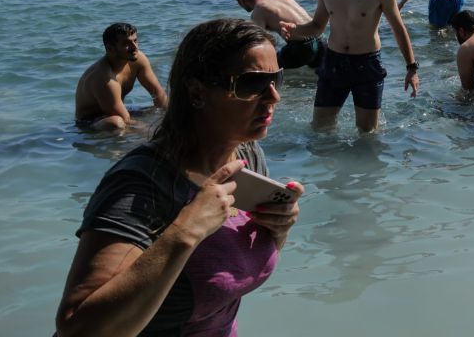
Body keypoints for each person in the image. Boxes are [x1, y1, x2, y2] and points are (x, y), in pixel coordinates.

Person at [55, 19, 303, 337]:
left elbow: (230, 268)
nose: (273, 97)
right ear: (198, 92)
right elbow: (77, 329)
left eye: (276, 80)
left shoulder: (247, 154)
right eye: (251, 84)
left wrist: (277, 229)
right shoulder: (140, 184)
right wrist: (185, 233)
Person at [281, 0, 418, 131]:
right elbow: (317, 26)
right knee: (320, 129)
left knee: (367, 132)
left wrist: (411, 68)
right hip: (333, 63)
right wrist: (296, 30)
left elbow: (398, 28)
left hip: (367, 65)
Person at [74, 22, 168, 130]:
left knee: (157, 110)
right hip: (89, 122)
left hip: (118, 112)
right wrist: (156, 132)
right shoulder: (104, 78)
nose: (135, 47)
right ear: (110, 48)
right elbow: (125, 120)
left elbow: (158, 94)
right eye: (127, 43)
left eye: (135, 40)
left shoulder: (138, 59)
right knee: (117, 123)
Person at [228, 0, 325, 70]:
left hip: (302, 49)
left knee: (267, 68)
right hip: (319, 40)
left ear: (241, 0)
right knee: (323, 77)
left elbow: (257, 41)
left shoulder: (258, 11)